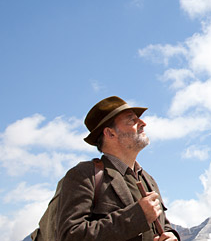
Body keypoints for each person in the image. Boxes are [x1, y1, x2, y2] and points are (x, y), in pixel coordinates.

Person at [55, 96, 180, 241]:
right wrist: (136, 216)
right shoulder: (84, 175)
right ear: (110, 133)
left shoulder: (148, 179)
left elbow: (164, 226)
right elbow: (70, 235)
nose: (143, 123)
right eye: (131, 120)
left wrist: (171, 236)